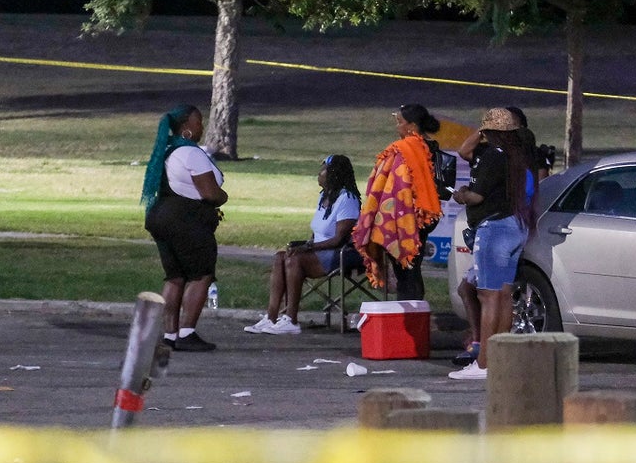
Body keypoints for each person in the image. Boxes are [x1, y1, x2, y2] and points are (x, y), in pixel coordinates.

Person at [448, 107, 535, 380]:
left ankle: (484, 364)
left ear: (490, 132)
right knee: (503, 295)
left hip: (494, 229)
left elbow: (476, 196)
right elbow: (466, 152)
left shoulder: (491, 157)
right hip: (515, 226)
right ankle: (501, 360)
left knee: (488, 296)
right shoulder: (517, 156)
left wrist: (461, 195)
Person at [142, 104, 228, 352]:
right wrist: (223, 197)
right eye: (199, 122)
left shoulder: (168, 151)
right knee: (201, 274)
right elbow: (210, 193)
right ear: (186, 128)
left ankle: (170, 334)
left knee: (175, 276)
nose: (202, 126)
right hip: (185, 220)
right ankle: (187, 332)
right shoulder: (191, 153)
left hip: (161, 215)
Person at [244, 155, 362, 335]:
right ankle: (271, 317)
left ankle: (291, 319)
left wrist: (309, 248)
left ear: (333, 173)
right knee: (280, 257)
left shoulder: (347, 198)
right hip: (319, 249)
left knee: (295, 260)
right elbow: (317, 232)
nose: (318, 174)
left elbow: (339, 239)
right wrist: (304, 244)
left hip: (340, 252)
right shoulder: (325, 195)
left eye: (322, 170)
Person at [352, 103, 442, 301]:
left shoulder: (406, 150)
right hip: (422, 216)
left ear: (411, 126)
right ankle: (413, 311)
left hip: (410, 216)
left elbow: (390, 184)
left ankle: (410, 315)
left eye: (399, 122)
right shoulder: (427, 150)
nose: (397, 127)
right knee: (410, 266)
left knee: (407, 268)